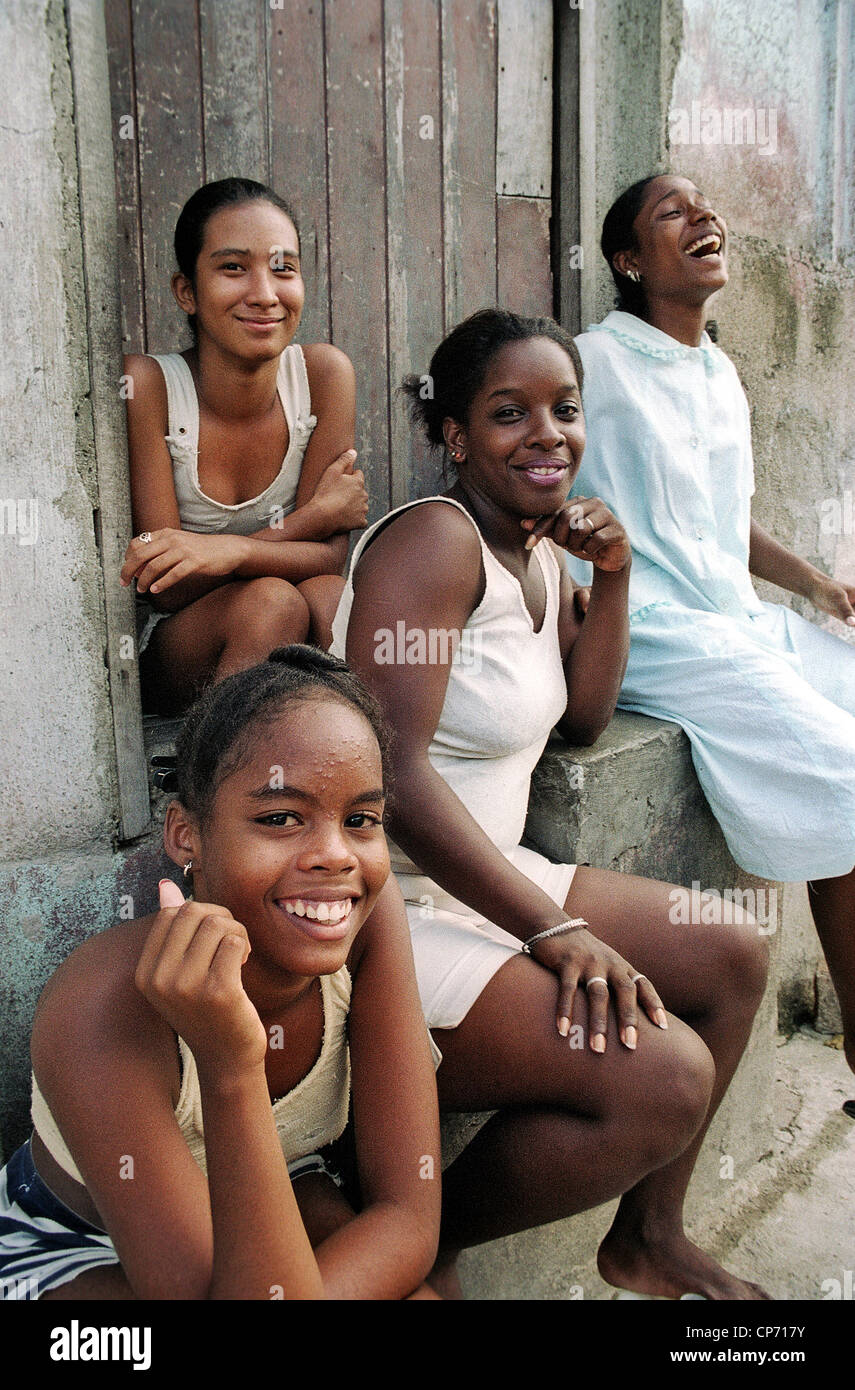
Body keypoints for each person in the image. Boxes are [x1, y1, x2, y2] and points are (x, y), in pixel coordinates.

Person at [330, 307, 770, 1300]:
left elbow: (584, 718)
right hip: (393, 904)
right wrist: (553, 927)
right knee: (663, 1076)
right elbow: (388, 780)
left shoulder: (538, 546)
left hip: (487, 872)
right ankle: (414, 1234)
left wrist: (610, 577)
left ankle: (648, 1238)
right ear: (453, 436)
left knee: (734, 952)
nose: (547, 434)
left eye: (564, 409)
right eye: (507, 413)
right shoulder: (432, 548)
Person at [0, 646, 440, 1300]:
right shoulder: (104, 1003)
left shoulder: (369, 927)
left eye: (360, 820)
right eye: (280, 818)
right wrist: (231, 1062)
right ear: (186, 836)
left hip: (283, 1182)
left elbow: (407, 1219)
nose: (333, 855)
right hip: (77, 1241)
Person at [566, 173, 855, 1080]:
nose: (703, 219)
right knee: (845, 776)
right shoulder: (589, 362)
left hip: (735, 616)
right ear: (627, 260)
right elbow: (532, 477)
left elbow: (722, 522)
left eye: (705, 207)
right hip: (653, 627)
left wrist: (815, 586)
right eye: (671, 214)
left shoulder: (718, 370)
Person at [120, 178, 368, 713]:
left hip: (285, 624)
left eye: (284, 268)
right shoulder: (149, 385)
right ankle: (216, 776)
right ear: (186, 291)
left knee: (329, 599)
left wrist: (225, 549)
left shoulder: (323, 375)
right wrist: (311, 518)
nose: (264, 293)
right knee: (272, 602)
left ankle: (361, 769)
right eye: (233, 268)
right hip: (176, 644)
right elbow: (165, 586)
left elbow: (329, 559)